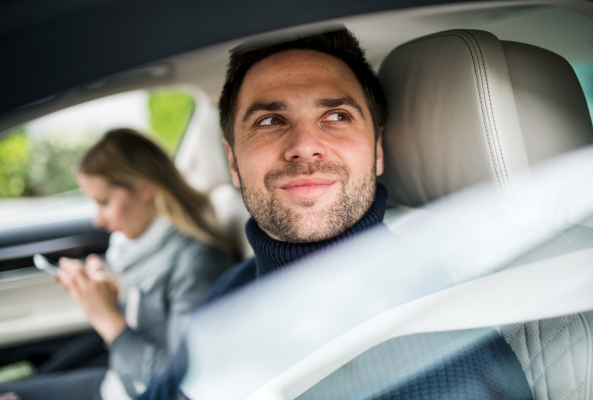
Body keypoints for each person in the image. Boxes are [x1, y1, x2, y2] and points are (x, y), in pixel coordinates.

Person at [138, 28, 533, 399]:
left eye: (337, 116)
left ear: (377, 150)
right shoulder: (230, 291)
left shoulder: (440, 355)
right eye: (270, 121)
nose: (305, 146)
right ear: (233, 161)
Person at [0, 129, 235, 400]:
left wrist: (108, 320)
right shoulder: (145, 250)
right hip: (119, 383)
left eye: (104, 202)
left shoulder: (197, 264)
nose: (97, 220)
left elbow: (182, 387)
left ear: (146, 189)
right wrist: (107, 299)